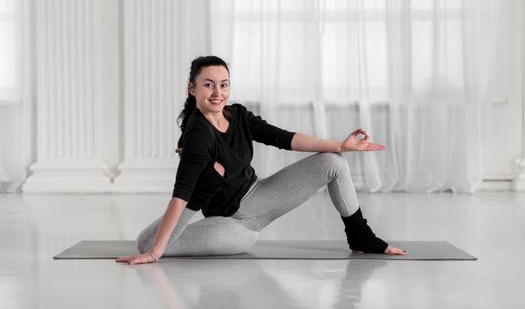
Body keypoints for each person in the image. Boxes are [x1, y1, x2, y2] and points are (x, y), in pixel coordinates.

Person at [116, 56, 407, 265]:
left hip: (262, 196)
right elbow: (180, 197)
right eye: (208, 85)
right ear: (192, 88)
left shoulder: (238, 114)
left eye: (224, 85)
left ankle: (361, 237)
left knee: (334, 162)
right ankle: (159, 245)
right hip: (233, 227)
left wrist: (340, 145)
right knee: (147, 243)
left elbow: (284, 138)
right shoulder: (197, 136)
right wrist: (155, 252)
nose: (218, 93)